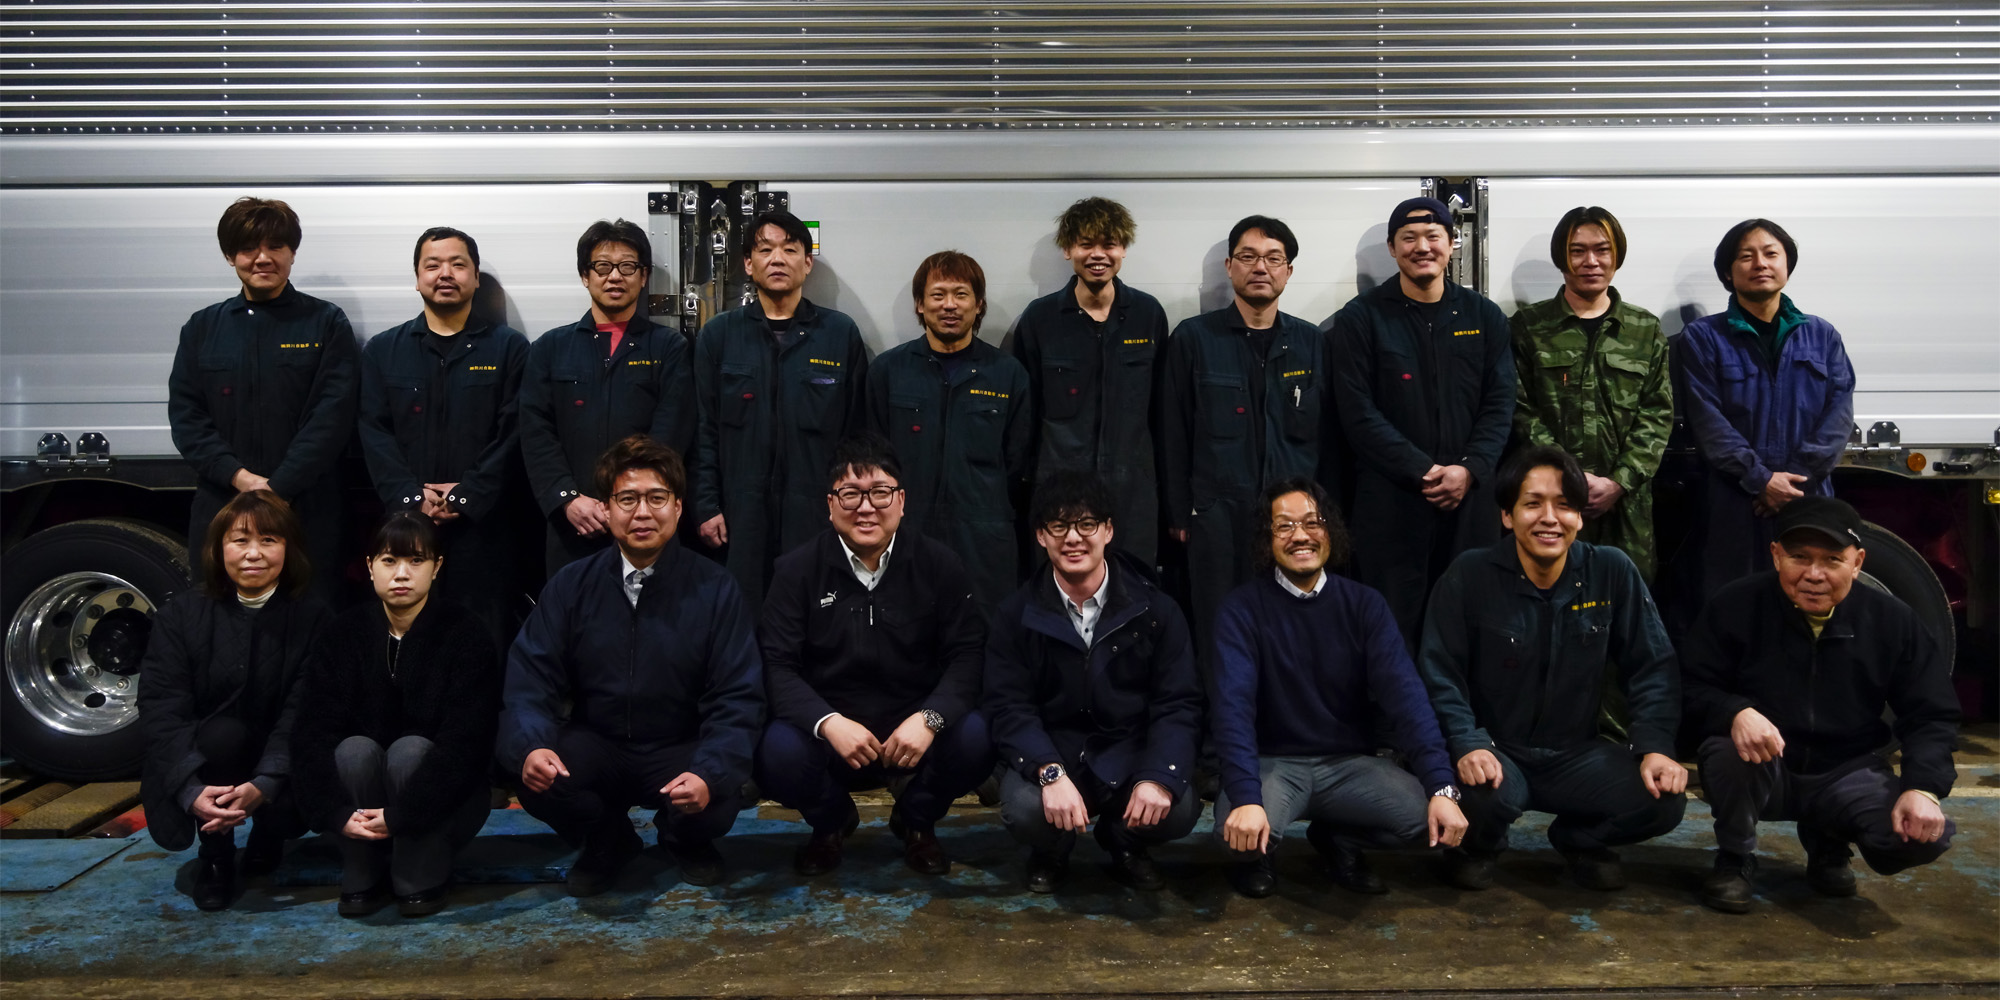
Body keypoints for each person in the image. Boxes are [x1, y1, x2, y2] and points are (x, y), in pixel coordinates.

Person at [498, 435, 763, 894]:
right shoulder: (572, 585)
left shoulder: (716, 588)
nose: (642, 512)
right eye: (627, 499)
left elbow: (738, 696)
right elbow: (529, 681)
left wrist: (709, 771)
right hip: (598, 743)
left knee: (723, 792)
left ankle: (682, 838)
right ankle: (609, 840)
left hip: (678, 744)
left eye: (657, 498)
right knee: (541, 779)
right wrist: (531, 747)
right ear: (606, 509)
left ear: (678, 507)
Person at [1418, 446, 1686, 892]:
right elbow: (1439, 671)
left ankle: (1581, 840)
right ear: (1507, 516)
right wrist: (1466, 742)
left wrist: (1655, 746)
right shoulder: (1470, 574)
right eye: (1532, 503)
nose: (1549, 518)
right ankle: (1480, 847)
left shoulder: (1611, 570)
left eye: (1564, 505)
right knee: (1477, 793)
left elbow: (1652, 666)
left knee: (1664, 799)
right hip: (1496, 751)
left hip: (1576, 755)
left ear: (1580, 516)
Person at [1683, 496, 1958, 913]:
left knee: (1921, 837)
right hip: (1765, 766)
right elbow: (1689, 685)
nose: (1814, 574)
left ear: (1857, 562)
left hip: (1846, 770)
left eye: (1832, 559)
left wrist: (1923, 788)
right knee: (1728, 755)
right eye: (1799, 557)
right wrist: (1735, 712)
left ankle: (1828, 842)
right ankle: (1735, 857)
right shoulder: (1734, 605)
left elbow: (1932, 714)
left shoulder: (1893, 621)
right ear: (1776, 555)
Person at [1209, 478, 1466, 898]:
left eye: (1313, 522)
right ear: (1265, 539)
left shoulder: (1365, 605)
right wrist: (1246, 797)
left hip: (1349, 765)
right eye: (1284, 526)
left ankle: (1339, 838)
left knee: (1436, 824)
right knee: (1234, 834)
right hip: (1272, 765)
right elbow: (1231, 711)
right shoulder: (1242, 609)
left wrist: (1441, 786)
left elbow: (1407, 699)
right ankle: (1260, 856)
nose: (1301, 536)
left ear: (1331, 531)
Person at [755, 434, 993, 876]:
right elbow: (776, 665)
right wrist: (829, 723)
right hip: (834, 735)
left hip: (913, 732)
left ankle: (917, 821)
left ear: (901, 500)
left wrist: (930, 719)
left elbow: (968, 655)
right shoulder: (796, 571)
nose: (866, 508)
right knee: (776, 750)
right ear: (830, 504)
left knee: (978, 735)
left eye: (880, 493)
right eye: (850, 494)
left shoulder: (939, 565)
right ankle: (831, 822)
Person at [984, 471, 1201, 892]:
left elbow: (1178, 703)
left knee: (1178, 806)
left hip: (1128, 751)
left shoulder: (1156, 609)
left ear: (1108, 530)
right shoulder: (1015, 614)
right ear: (1041, 536)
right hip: (1057, 752)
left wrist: (1158, 775)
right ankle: (1052, 848)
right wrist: (1049, 772)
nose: (1073, 538)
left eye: (1086, 524)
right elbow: (1008, 706)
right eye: (1058, 526)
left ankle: (1123, 841)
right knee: (1026, 810)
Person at [292, 513, 501, 918]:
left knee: (410, 751)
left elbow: (467, 743)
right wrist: (333, 813)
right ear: (370, 567)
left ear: (437, 567)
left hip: (445, 806)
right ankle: (361, 870)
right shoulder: (342, 634)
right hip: (359, 804)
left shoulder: (466, 633)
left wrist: (403, 815)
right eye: (389, 561)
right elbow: (310, 734)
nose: (401, 574)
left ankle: (418, 873)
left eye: (416, 561)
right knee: (353, 750)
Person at [1329, 197, 1515, 647]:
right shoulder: (1361, 318)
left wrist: (1469, 469)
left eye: (1433, 236)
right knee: (1391, 633)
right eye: (1408, 238)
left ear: (1452, 244)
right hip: (1391, 504)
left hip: (1470, 503)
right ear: (1392, 249)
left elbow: (1500, 403)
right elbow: (1357, 412)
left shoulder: (1484, 316)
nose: (1422, 247)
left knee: (1471, 628)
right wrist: (1423, 470)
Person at [138, 491, 330, 911]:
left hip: (281, 761)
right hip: (209, 756)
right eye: (240, 540)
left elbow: (305, 710)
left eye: (269, 540)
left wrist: (265, 784)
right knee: (223, 734)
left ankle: (268, 833)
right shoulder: (181, 615)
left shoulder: (314, 617)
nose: (253, 554)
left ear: (289, 549)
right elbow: (161, 707)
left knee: (292, 790)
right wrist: (189, 789)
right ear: (218, 548)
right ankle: (216, 856)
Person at [167, 197, 358, 604]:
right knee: (218, 617)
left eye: (275, 246)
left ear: (292, 253)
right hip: (223, 504)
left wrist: (279, 487)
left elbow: (332, 415)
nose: (263, 258)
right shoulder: (202, 328)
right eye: (248, 248)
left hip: (308, 507)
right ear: (229, 256)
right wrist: (240, 479)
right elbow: (187, 417)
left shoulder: (326, 322)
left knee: (310, 618)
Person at [1159, 215, 1334, 653]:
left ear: (1288, 271)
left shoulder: (1311, 343)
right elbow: (1173, 432)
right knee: (1220, 629)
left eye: (1273, 259)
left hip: (1292, 520)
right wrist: (1179, 513)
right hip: (1217, 517)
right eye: (1248, 257)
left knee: (1291, 630)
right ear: (1229, 266)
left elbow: (1328, 437)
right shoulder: (1194, 339)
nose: (1260, 267)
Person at [1672, 219, 1855, 623]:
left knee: (1810, 606)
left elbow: (1838, 416)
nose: (1760, 263)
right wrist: (1760, 480)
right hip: (1735, 502)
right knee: (1735, 611)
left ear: (1787, 264)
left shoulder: (1822, 336)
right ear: (1728, 272)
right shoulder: (1703, 338)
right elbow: (1707, 420)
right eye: (1746, 256)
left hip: (1808, 500)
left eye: (1771, 253)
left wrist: (1794, 481)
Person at [357, 227, 532, 644]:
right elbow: (373, 431)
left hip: (483, 529)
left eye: (458, 264)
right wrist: (410, 497)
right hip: (405, 526)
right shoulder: (384, 350)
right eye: (432, 265)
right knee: (408, 637)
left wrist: (467, 495)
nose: (445, 274)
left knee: (483, 639)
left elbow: (513, 433)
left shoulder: (510, 349)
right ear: (417, 278)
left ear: (475, 277)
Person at [693, 209, 870, 615]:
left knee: (814, 620)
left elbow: (857, 435)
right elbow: (703, 429)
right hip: (738, 517)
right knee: (739, 618)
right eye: (765, 250)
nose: (777, 259)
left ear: (807, 263)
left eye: (790, 250)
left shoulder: (839, 334)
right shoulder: (719, 335)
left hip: (816, 515)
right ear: (747, 264)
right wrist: (706, 506)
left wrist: (849, 508)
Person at [519, 219, 695, 577]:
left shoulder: (669, 347)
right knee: (573, 607)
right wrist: (566, 498)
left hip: (645, 519)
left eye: (627, 266)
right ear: (585, 276)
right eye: (602, 266)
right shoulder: (550, 348)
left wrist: (629, 500)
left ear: (643, 276)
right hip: (573, 523)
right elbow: (536, 433)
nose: (615, 276)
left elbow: (671, 432)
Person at [1508, 207, 1673, 582]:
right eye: (1577, 251)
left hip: (1625, 506)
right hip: (1550, 502)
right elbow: (1519, 409)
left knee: (1625, 597)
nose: (1591, 261)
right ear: (1561, 257)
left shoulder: (1644, 328)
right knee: (1549, 592)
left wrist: (1618, 482)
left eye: (1602, 250)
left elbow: (1657, 414)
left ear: (1617, 255)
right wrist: (1567, 477)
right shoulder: (1530, 327)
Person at [867, 250, 1032, 615]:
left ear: (979, 304)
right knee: (904, 627)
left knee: (985, 630)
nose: (949, 305)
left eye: (961, 294)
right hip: (905, 533)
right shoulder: (888, 371)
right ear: (920, 304)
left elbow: (1017, 461)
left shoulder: (1008, 374)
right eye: (938, 295)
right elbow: (872, 458)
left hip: (985, 538)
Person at [1011, 197, 1171, 568]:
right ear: (1068, 250)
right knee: (1058, 588)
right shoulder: (1040, 319)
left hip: (1133, 492)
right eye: (1086, 244)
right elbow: (1025, 416)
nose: (1098, 254)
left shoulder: (1147, 314)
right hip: (1058, 489)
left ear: (1123, 249)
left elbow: (1162, 411)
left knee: (1133, 588)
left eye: (1109, 244)